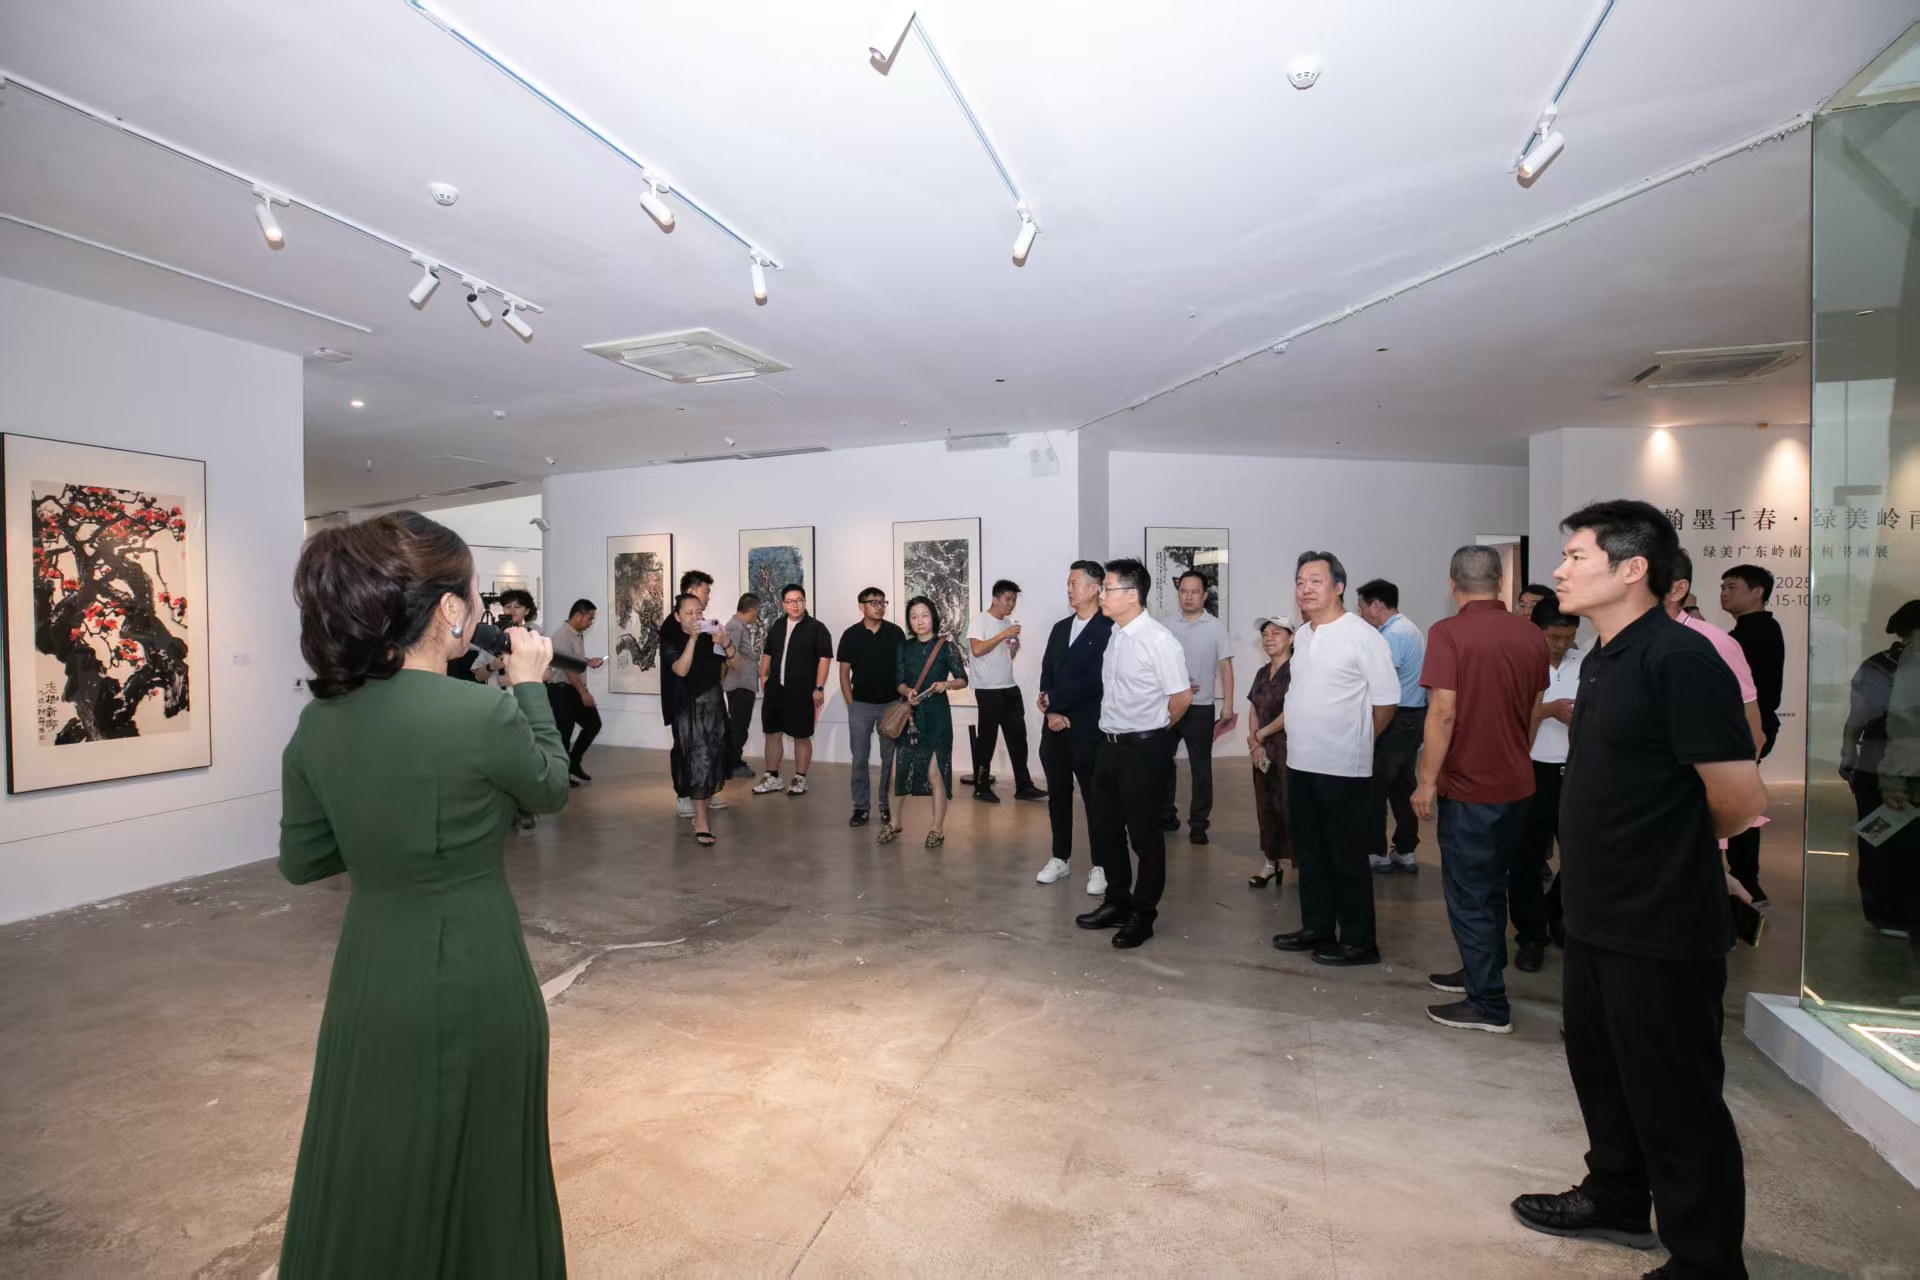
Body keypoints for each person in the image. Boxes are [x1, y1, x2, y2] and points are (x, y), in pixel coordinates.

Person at [278, 511, 570, 1278]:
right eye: (473, 595)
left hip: (372, 972)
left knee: (374, 1155)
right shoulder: (482, 711)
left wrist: (384, 833)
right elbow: (548, 788)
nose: (478, 608)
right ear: (448, 610)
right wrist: (530, 687)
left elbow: (303, 860)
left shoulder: (319, 722)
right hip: (478, 964)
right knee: (486, 1163)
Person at [1512, 500, 1765, 1277]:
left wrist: (1675, 853)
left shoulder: (1680, 659)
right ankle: (1618, 1194)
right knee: (1603, 1069)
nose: (1559, 571)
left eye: (1576, 557)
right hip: (1597, 912)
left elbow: (1738, 797)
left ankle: (1706, 1260)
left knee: (1676, 1096)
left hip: (1660, 919)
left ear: (1632, 569)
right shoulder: (1603, 656)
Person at [1410, 546, 1548, 1035]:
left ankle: (1488, 1003)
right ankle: (1479, 970)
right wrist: (1517, 751)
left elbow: (1442, 713)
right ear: (1501, 581)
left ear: (1452, 584)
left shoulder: (1447, 633)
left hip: (1471, 788)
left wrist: (1426, 781)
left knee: (1470, 893)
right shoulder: (1531, 634)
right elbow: (1533, 706)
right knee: (1492, 885)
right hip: (1518, 784)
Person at [1271, 551, 1400, 967]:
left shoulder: (1362, 636)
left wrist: (1358, 739)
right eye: (1300, 582)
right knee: (1309, 852)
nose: (1305, 589)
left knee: (1346, 856)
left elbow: (1386, 702)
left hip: (1343, 767)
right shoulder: (1304, 634)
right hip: (1301, 762)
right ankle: (1318, 927)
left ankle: (1360, 942)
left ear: (1339, 587)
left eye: (1315, 581)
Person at [1074, 558, 1191, 949]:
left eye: (1107, 588)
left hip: (1143, 749)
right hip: (1108, 747)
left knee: (1144, 836)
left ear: (1132, 594)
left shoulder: (1158, 641)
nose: (1101, 595)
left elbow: (1181, 697)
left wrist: (1154, 732)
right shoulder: (1116, 634)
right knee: (1105, 830)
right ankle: (1118, 901)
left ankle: (1144, 914)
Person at [1035, 560, 1114, 890]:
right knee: (1058, 795)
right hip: (1055, 728)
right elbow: (1047, 672)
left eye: (1074, 583)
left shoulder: (1109, 629)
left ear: (1095, 588)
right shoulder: (1060, 628)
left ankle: (1102, 865)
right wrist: (1050, 711)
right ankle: (1060, 857)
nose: (1068, 589)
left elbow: (1097, 680)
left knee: (1096, 799)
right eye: (1068, 583)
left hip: (1089, 728)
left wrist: (1053, 699)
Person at [1843, 602, 1920, 937]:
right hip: (1894, 769)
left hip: (1873, 765)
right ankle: (1896, 914)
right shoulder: (1909, 664)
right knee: (1898, 844)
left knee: (1877, 841)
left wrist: (1848, 753)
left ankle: (1882, 912)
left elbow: (1856, 717)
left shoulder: (1875, 664)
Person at [1520, 600, 1582, 957]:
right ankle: (1531, 936)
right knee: (1526, 860)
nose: (1561, 645)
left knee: (1579, 857)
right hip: (1530, 771)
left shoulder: (1586, 662)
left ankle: (1556, 915)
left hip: (1574, 772)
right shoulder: (1521, 663)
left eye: (1568, 637)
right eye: (1554, 637)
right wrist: (1545, 710)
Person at [1722, 563, 1785, 906]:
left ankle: (1746, 882)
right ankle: (1742, 879)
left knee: (1739, 805)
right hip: (1741, 729)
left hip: (1746, 730)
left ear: (1758, 592)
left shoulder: (1759, 630)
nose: (1724, 593)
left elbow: (1758, 694)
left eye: (1732, 587)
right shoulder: (1747, 630)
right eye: (1723, 587)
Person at [885, 596, 969, 847]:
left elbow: (963, 679)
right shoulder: (904, 647)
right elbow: (898, 682)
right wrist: (906, 691)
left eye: (924, 615)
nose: (919, 621)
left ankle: (937, 829)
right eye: (913, 617)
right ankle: (894, 822)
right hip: (911, 718)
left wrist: (946, 684)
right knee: (896, 774)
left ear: (933, 617)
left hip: (937, 717)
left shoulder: (946, 647)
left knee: (935, 774)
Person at [1356, 579, 1426, 873]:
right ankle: (1406, 850)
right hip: (1413, 716)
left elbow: (1384, 683)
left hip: (1396, 718)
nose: (1360, 614)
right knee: (1402, 785)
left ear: (1376, 605)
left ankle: (1376, 852)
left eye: (1361, 607)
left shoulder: (1392, 635)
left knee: (1375, 786)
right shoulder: (1409, 628)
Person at [1160, 569, 1234, 844]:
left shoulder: (1215, 627)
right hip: (1169, 706)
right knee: (1162, 763)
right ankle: (1166, 815)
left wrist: (1228, 704)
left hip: (1201, 709)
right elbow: (1154, 665)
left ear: (1204, 596)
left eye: (1194, 592)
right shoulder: (1165, 625)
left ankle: (1199, 824)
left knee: (1201, 769)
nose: (1188, 597)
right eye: (1183, 591)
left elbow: (1226, 667)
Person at [661, 591, 733, 845]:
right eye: (689, 612)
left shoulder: (711, 635)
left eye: (699, 611)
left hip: (714, 706)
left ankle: (700, 814)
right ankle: (701, 819)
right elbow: (681, 670)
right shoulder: (671, 639)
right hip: (688, 709)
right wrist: (692, 639)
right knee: (697, 762)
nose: (695, 616)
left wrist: (726, 643)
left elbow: (736, 665)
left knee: (713, 758)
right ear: (677, 616)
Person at [751, 584, 834, 797]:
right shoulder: (778, 626)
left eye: (799, 600)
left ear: (805, 602)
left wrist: (819, 687)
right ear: (783, 604)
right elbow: (768, 653)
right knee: (772, 733)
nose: (795, 605)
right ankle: (772, 776)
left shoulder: (817, 628)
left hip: (802, 691)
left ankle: (800, 778)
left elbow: (824, 659)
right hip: (775, 690)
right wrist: (763, 677)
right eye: (790, 601)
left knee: (801, 735)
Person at [968, 579, 1046, 803]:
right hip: (988, 689)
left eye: (1014, 600)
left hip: (1009, 686)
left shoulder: (1007, 623)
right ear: (995, 599)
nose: (1011, 604)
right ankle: (981, 787)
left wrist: (1013, 649)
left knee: (1018, 738)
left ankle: (1024, 786)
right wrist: (1003, 635)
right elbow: (977, 650)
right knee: (987, 740)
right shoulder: (980, 620)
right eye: (1008, 599)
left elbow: (1005, 657)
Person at [839, 586, 906, 827]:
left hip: (891, 705)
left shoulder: (895, 633)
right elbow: (844, 674)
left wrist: (902, 702)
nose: (879, 607)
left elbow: (903, 669)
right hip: (861, 706)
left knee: (890, 761)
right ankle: (861, 807)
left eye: (882, 602)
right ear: (862, 606)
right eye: (874, 602)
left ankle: (886, 806)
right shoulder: (851, 635)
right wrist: (852, 705)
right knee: (859, 759)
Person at [1245, 617, 1295, 890]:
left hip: (1290, 748)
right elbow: (1254, 707)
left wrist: (1261, 734)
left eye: (1276, 633)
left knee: (1291, 806)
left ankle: (1303, 864)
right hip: (1263, 751)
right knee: (1266, 806)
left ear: (1291, 638)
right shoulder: (1262, 672)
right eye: (1265, 634)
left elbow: (1294, 710)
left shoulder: (1298, 670)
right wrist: (1255, 743)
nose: (1269, 638)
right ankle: (1270, 863)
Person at [662, 570, 715, 818]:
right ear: (692, 591)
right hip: (681, 698)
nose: (708, 596)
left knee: (708, 745)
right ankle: (683, 794)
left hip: (705, 697)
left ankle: (704, 792)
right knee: (683, 746)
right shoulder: (671, 626)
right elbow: (678, 666)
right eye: (706, 591)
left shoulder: (703, 626)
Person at [545, 599, 606, 785]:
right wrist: (584, 693)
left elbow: (572, 659)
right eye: (590, 618)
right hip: (562, 691)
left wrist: (587, 661)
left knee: (593, 724)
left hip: (573, 690)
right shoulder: (563, 636)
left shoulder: (576, 634)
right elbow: (569, 671)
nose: (591, 623)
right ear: (578, 615)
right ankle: (561, 775)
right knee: (564, 734)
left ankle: (573, 762)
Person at [721, 593, 762, 779]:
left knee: (739, 725)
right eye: (757, 611)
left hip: (742, 685)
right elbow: (727, 656)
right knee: (738, 726)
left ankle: (733, 761)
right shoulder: (735, 627)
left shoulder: (738, 626)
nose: (757, 615)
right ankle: (732, 764)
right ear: (751, 610)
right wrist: (721, 680)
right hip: (739, 685)